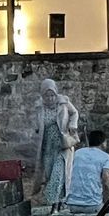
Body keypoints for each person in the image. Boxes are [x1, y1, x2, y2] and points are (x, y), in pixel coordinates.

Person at [33, 79, 80, 208]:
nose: (50, 98)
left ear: (56, 93)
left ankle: (51, 200)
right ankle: (60, 202)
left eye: (52, 95)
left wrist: (72, 125)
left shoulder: (64, 102)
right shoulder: (39, 107)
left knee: (58, 173)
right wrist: (37, 129)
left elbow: (74, 113)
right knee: (49, 174)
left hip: (62, 144)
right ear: (43, 96)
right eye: (47, 96)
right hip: (47, 146)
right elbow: (37, 123)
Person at [64, 130, 109, 214]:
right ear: (103, 143)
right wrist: (107, 206)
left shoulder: (77, 153)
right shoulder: (106, 157)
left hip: (72, 205)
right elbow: (106, 182)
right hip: (93, 206)